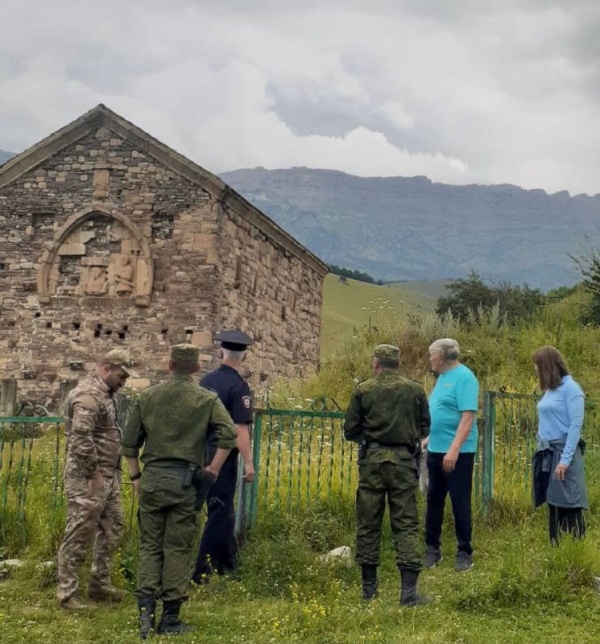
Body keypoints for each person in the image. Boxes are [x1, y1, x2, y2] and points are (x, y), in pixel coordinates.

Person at [121, 344, 237, 638]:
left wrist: (136, 476)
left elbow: (129, 444)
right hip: (185, 484)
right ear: (197, 368)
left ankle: (145, 613)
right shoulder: (205, 399)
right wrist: (213, 468)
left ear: (169, 364)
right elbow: (229, 435)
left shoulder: (147, 397)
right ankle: (170, 617)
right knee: (178, 547)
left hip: (152, 481)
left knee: (149, 545)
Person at [344, 344, 431, 607]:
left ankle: (369, 592)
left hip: (372, 463)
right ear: (397, 363)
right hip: (404, 463)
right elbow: (425, 426)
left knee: (368, 523)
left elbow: (350, 430)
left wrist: (371, 439)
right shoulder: (415, 389)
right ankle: (408, 593)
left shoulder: (364, 390)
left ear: (376, 363)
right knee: (406, 524)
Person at [57, 349, 135, 611]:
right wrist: (93, 475)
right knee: (79, 532)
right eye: (120, 376)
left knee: (114, 525)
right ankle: (67, 594)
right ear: (105, 368)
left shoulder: (107, 395)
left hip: (107, 475)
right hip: (87, 478)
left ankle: (99, 583)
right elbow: (80, 438)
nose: (123, 382)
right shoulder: (88, 395)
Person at [193, 329, 255, 583]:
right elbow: (240, 428)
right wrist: (249, 462)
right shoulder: (238, 386)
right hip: (223, 455)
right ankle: (201, 569)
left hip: (199, 451)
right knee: (219, 512)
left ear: (221, 352)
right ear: (243, 356)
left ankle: (227, 562)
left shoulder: (206, 381)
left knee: (221, 510)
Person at [423, 338, 479, 572]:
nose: (429, 358)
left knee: (459, 501)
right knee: (434, 499)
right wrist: (429, 439)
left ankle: (464, 551)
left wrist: (454, 449)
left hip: (458, 453)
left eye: (431, 354)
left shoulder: (465, 378)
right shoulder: (442, 378)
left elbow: (468, 416)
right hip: (436, 449)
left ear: (442, 357)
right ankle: (432, 549)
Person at [531, 346, 588, 543]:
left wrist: (565, 460)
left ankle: (576, 554)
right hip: (548, 452)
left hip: (564, 454)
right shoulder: (550, 390)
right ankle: (556, 549)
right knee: (554, 503)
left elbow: (575, 426)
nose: (536, 370)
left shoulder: (572, 389)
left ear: (547, 366)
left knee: (569, 503)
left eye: (538, 366)